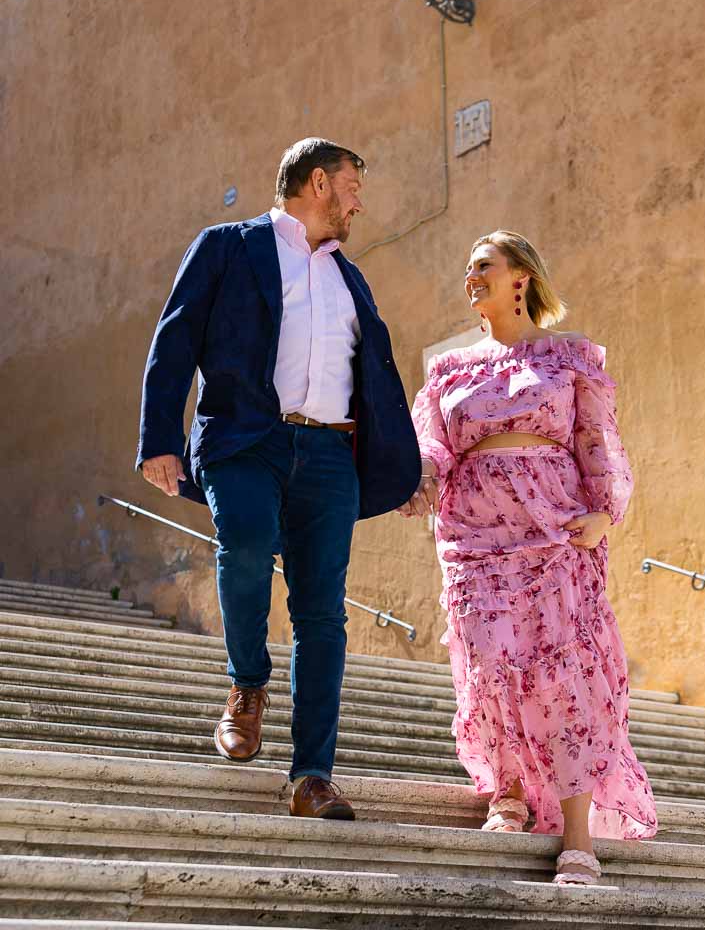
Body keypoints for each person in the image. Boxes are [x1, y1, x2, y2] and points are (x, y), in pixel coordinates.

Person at [136, 137, 420, 820]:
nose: (359, 201)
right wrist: (159, 440)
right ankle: (247, 686)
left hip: (329, 457)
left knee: (323, 613)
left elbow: (374, 380)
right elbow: (175, 339)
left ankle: (312, 776)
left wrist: (396, 466)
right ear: (317, 183)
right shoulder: (228, 247)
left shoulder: (350, 278)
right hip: (244, 439)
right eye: (352, 185)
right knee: (243, 553)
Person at [401, 230, 657, 884]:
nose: (471, 276)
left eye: (483, 264)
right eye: (467, 268)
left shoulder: (568, 358)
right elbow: (431, 446)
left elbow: (597, 438)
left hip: (555, 533)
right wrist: (414, 479)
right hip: (474, 539)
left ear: (522, 277)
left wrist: (606, 512)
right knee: (489, 667)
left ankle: (578, 839)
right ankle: (508, 792)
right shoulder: (449, 371)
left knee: (563, 674)